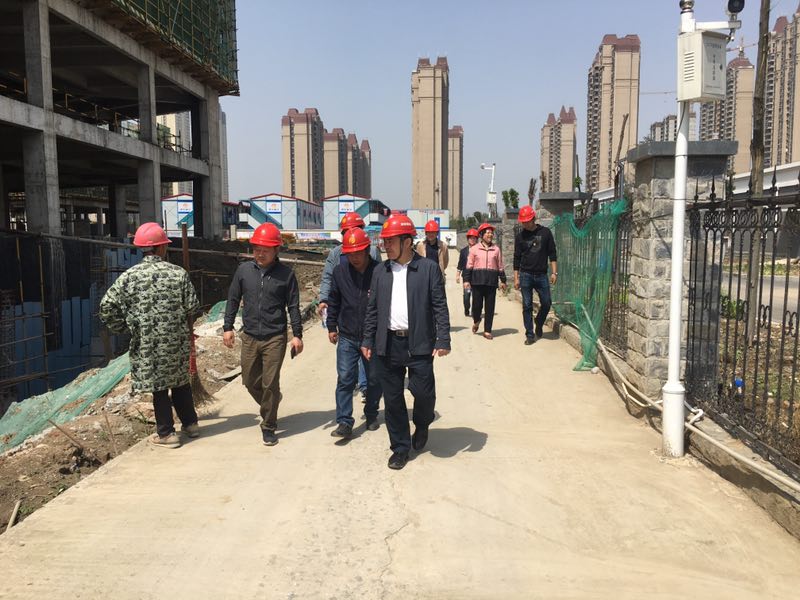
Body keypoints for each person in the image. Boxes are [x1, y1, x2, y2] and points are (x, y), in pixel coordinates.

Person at [362, 214, 451, 470]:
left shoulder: (428, 269)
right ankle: (400, 448)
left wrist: (443, 338)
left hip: (419, 341)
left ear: (408, 242)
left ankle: (422, 423)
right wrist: (367, 339)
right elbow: (372, 309)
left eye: (391, 241)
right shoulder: (380, 271)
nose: (386, 246)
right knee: (392, 400)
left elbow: (439, 306)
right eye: (385, 241)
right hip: (388, 343)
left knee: (423, 392)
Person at [100, 222, 200, 449]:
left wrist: (125, 327)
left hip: (147, 344)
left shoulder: (128, 277)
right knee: (180, 381)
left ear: (141, 248)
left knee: (159, 386)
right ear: (162, 247)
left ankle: (166, 434)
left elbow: (106, 307)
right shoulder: (178, 273)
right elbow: (192, 306)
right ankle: (191, 424)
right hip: (177, 342)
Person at [222, 222, 303, 446]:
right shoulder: (244, 271)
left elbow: (293, 307)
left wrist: (297, 335)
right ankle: (272, 402)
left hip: (275, 336)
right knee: (249, 381)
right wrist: (228, 327)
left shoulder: (286, 275)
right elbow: (233, 299)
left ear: (276, 250)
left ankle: (268, 425)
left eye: (265, 250)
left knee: (270, 383)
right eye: (257, 249)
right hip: (249, 335)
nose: (260, 253)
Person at [318, 212, 381, 401]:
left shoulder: (373, 253)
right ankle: (352, 390)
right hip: (347, 315)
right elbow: (329, 278)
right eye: (347, 231)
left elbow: (381, 281)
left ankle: (364, 386)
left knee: (369, 365)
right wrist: (324, 299)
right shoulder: (336, 254)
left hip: (368, 317)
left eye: (355, 229)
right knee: (346, 373)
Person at [326, 227, 381, 438]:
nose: (354, 258)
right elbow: (334, 300)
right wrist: (332, 326)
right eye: (350, 254)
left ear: (367, 250)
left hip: (372, 337)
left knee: (374, 379)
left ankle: (371, 413)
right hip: (347, 335)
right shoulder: (340, 272)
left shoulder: (379, 271)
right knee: (345, 378)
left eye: (358, 253)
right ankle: (344, 421)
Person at [513, 206, 558, 345]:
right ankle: (530, 334)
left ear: (533, 219)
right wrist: (516, 277)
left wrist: (554, 272)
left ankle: (539, 321)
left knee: (547, 303)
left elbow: (552, 253)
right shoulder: (520, 237)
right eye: (523, 222)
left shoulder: (545, 233)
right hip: (525, 275)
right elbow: (516, 258)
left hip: (541, 275)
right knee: (527, 305)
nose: (525, 224)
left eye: (527, 221)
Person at [464, 223, 507, 340]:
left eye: (491, 233)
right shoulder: (474, 249)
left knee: (490, 308)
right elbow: (469, 265)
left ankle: (487, 330)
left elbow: (500, 266)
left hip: (491, 282)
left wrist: (503, 280)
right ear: (482, 235)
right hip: (477, 282)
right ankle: (477, 320)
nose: (490, 235)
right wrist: (466, 280)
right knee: (476, 306)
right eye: (488, 233)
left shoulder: (496, 249)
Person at [456, 228, 479, 317]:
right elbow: (460, 263)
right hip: (467, 277)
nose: (472, 240)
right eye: (470, 238)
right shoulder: (463, 251)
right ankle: (466, 308)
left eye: (474, 238)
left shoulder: (479, 250)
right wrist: (458, 274)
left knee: (476, 296)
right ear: (468, 239)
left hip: (477, 277)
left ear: (476, 239)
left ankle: (474, 311)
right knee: (467, 295)